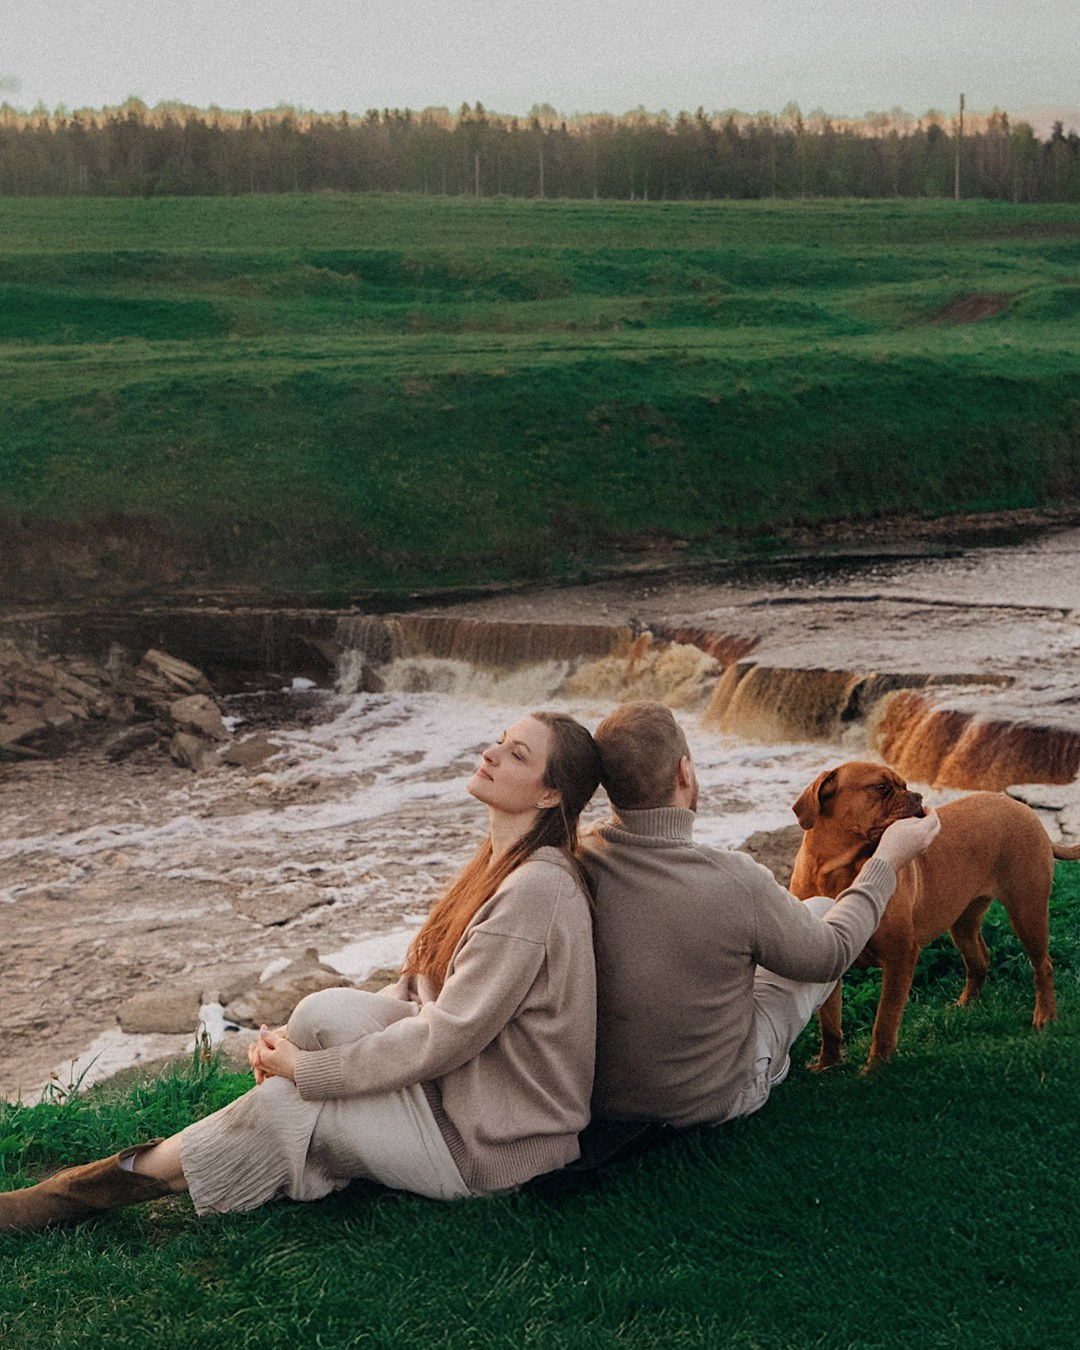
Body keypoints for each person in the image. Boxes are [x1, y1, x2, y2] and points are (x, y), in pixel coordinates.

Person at [0, 710, 602, 1232]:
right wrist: (291, 1042)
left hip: (489, 1147)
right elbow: (425, 987)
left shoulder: (535, 891)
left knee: (281, 1108)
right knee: (320, 1012)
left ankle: (70, 1196)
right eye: (499, 741)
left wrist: (308, 1071)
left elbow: (447, 1036)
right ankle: (128, 1175)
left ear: (549, 795)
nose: (491, 754)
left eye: (517, 755)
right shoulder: (503, 861)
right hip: (455, 1094)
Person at [582, 700, 940, 1130]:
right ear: (684, 773)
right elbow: (831, 957)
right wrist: (887, 860)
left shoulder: (576, 859)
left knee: (802, 916)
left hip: (605, 1097)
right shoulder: (736, 879)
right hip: (714, 1098)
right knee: (822, 918)